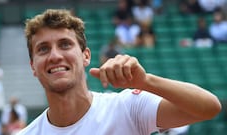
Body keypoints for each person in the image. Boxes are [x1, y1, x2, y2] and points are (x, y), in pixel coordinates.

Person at [17, 9, 221, 135]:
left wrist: (146, 82)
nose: (55, 56)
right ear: (33, 66)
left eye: (65, 45)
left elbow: (209, 107)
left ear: (86, 56)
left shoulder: (127, 108)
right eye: (43, 49)